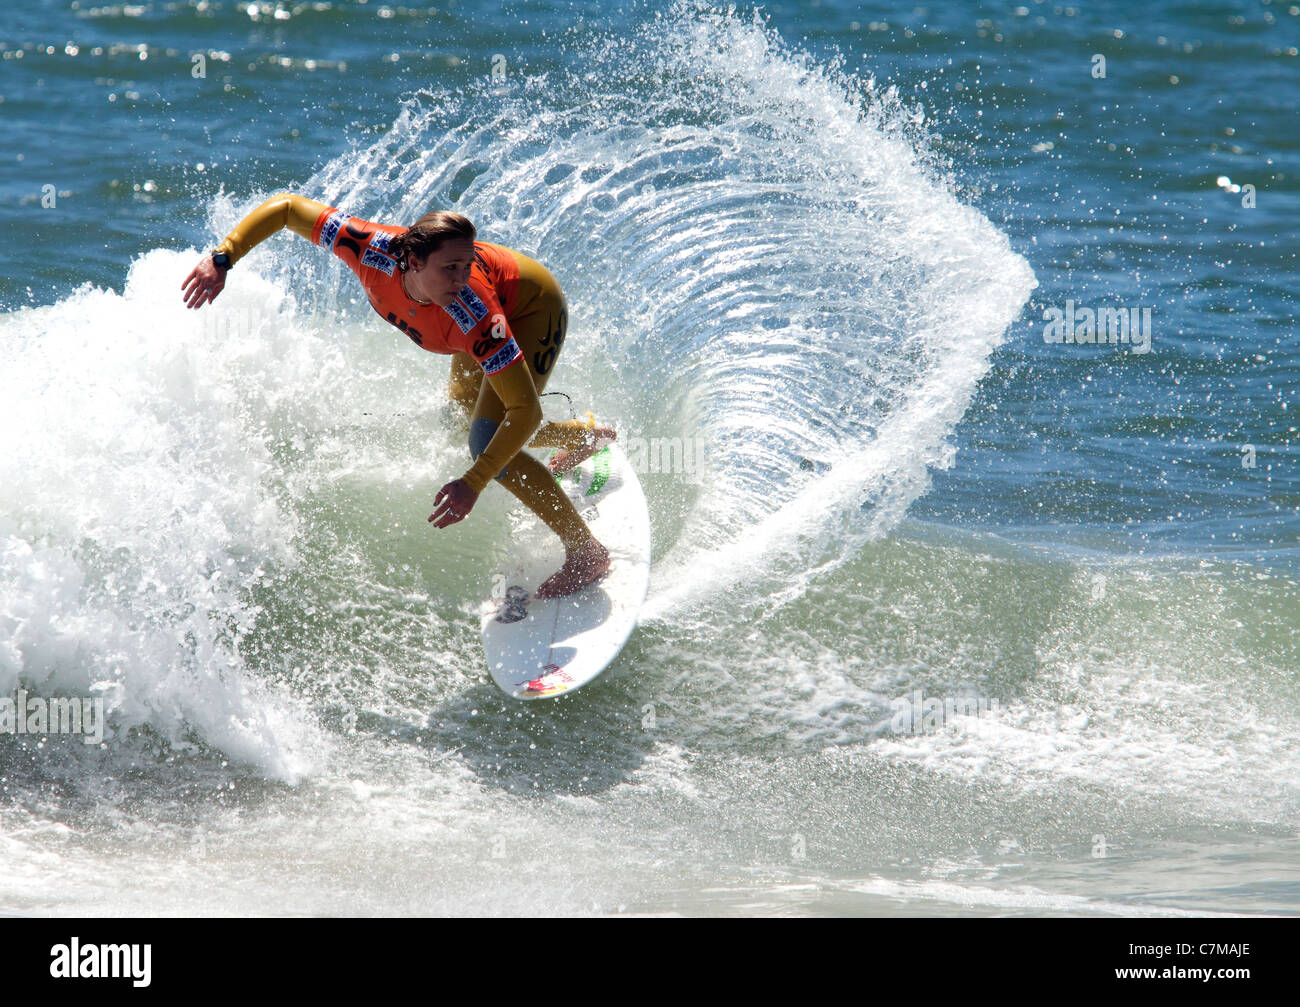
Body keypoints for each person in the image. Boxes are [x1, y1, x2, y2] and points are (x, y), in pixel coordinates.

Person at [181, 193, 616, 598]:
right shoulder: (370, 249)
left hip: (531, 307)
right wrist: (223, 258)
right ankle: (581, 437)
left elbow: (524, 412)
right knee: (464, 417)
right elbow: (288, 210)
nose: (462, 279)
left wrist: (473, 481)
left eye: (466, 266)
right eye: (449, 268)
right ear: (411, 260)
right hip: (479, 318)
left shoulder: (475, 312)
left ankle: (586, 551)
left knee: (484, 440)